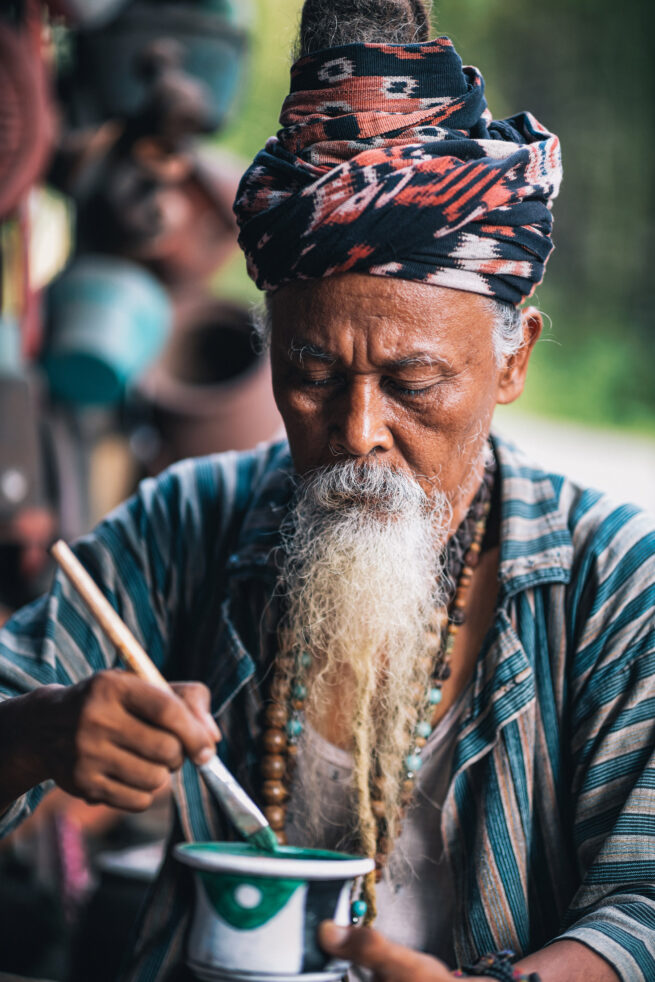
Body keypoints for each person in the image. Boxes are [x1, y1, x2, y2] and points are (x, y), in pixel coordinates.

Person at [1, 1, 654, 980]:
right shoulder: (192, 519)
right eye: (309, 375)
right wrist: (35, 734)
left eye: (413, 382)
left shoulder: (615, 580)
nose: (354, 432)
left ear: (511, 360)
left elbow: (641, 898)